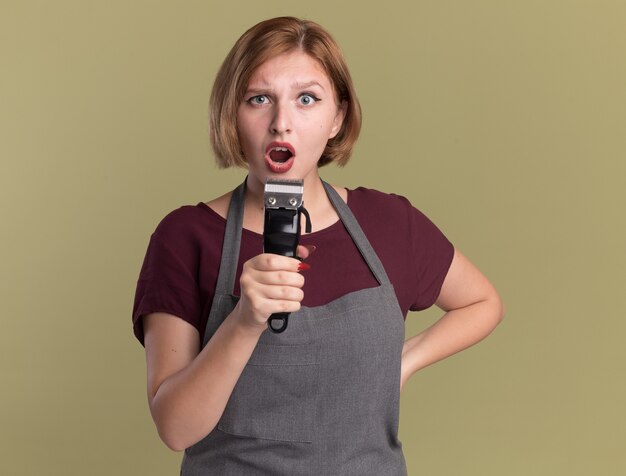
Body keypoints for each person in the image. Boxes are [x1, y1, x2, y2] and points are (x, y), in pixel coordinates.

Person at [131, 16, 504, 475]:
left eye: (306, 99)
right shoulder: (185, 238)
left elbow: (483, 302)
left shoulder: (389, 224)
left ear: (337, 118)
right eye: (259, 99)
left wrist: (403, 362)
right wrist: (245, 321)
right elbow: (175, 428)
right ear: (233, 114)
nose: (281, 123)